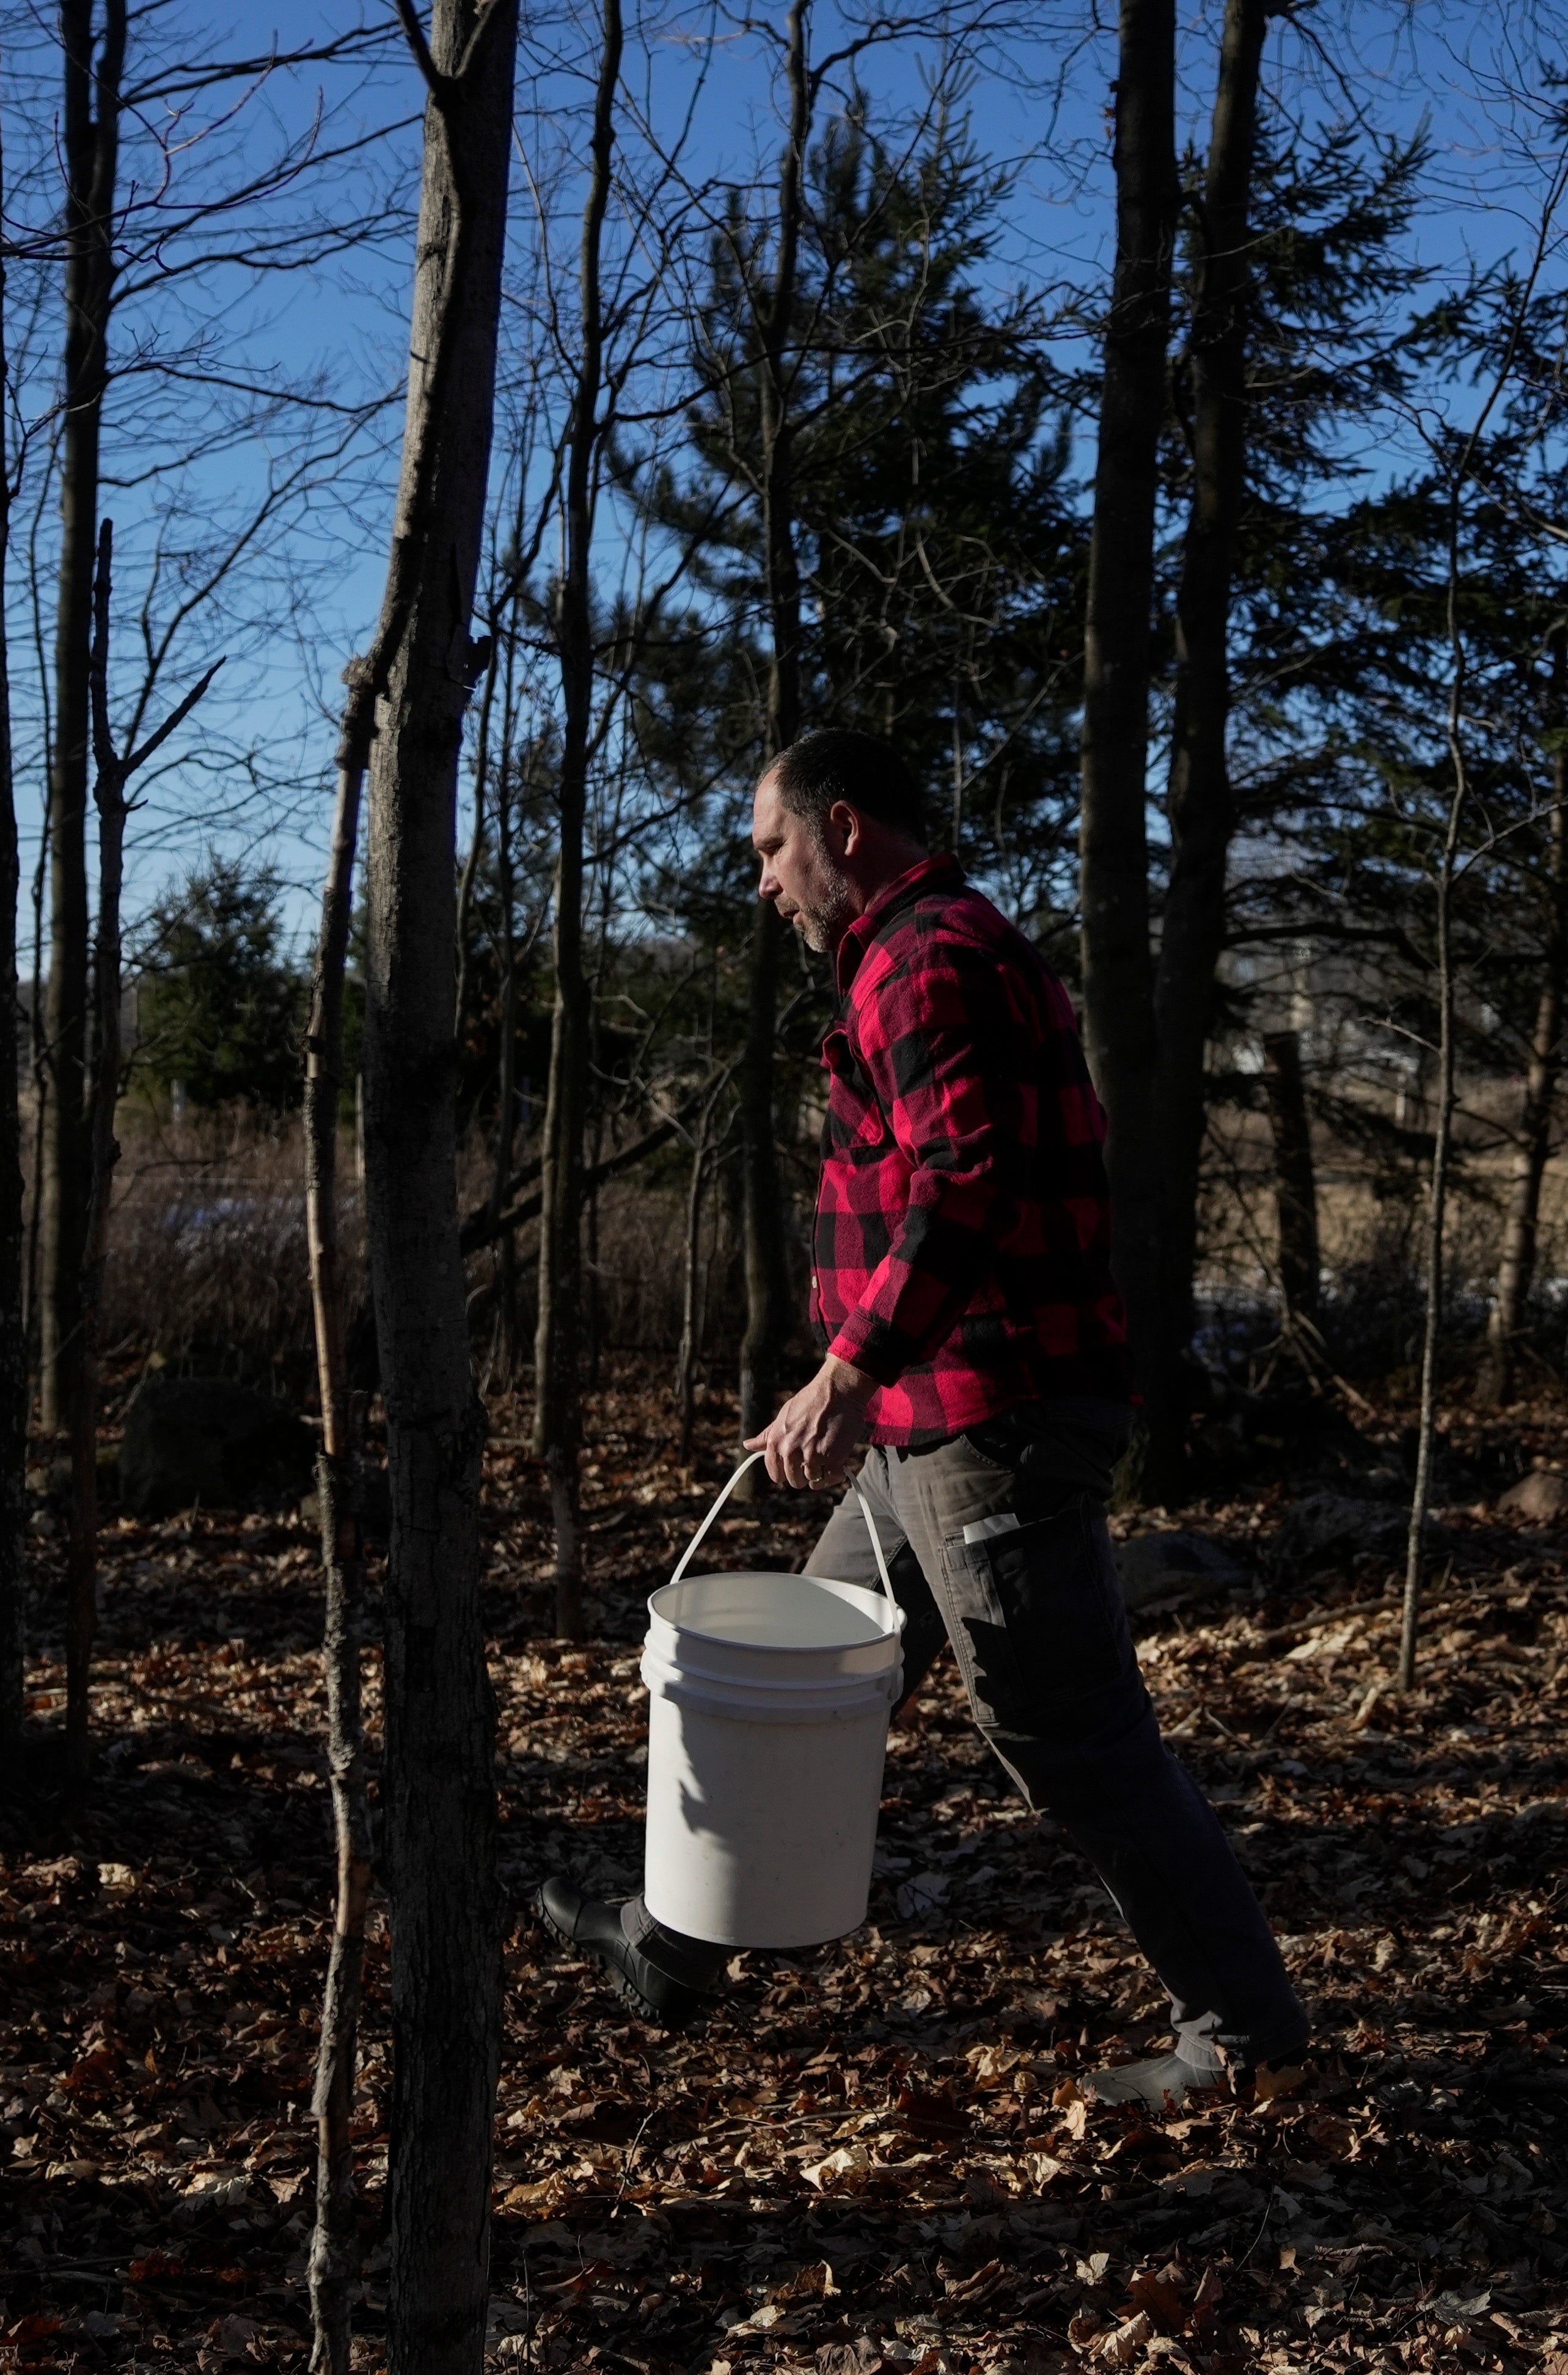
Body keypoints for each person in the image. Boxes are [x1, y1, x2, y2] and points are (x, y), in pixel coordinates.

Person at [535, 728, 1313, 2105]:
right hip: (928, 1410)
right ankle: (673, 1946)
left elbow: (966, 1186)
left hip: (988, 1412)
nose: (763, 881)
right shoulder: (917, 953)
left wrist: (843, 1371)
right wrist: (865, 1382)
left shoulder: (928, 960)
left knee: (1067, 1734)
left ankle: (1244, 2033)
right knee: (791, 1666)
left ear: (842, 829)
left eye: (771, 848)